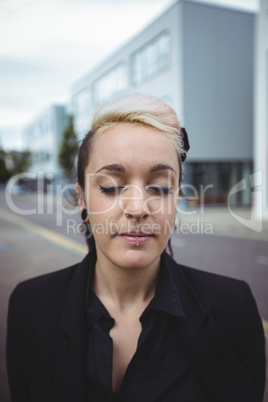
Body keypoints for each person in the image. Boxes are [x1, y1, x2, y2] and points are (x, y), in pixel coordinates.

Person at [6, 94, 266, 402]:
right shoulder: (31, 307)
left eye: (159, 187)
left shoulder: (233, 309)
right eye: (111, 187)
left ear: (176, 198)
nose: (138, 208)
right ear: (82, 199)